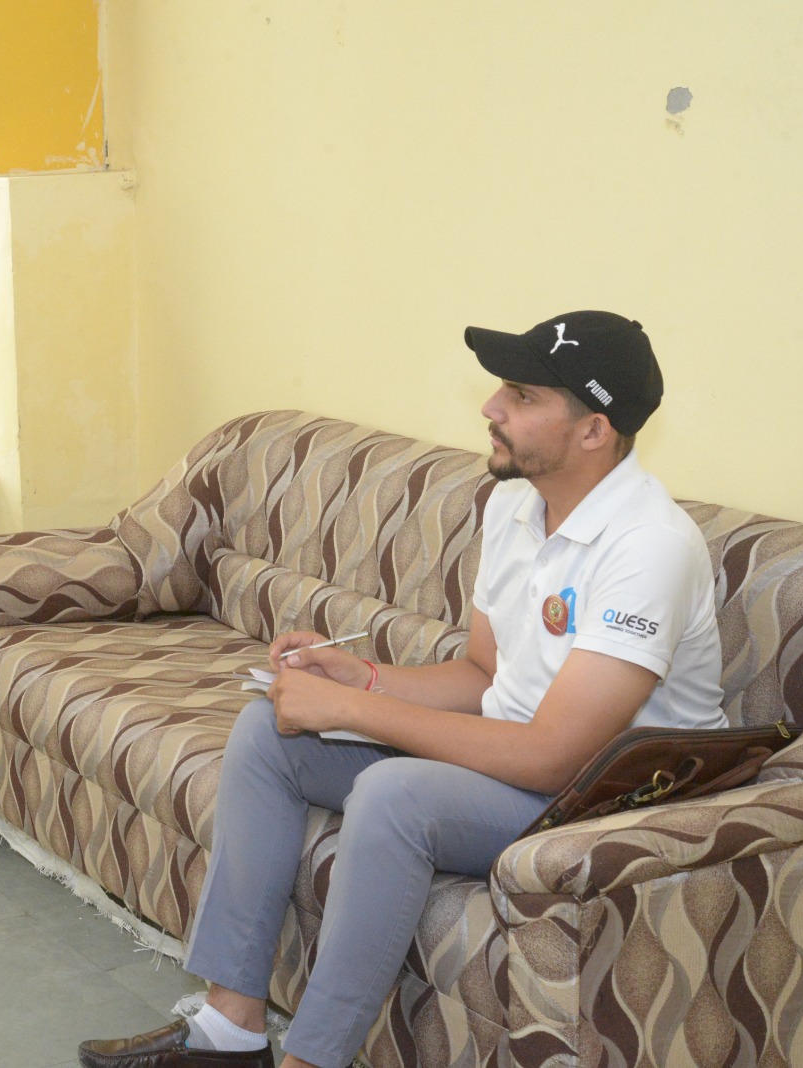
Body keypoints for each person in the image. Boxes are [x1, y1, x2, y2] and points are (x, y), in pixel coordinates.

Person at [77, 311, 725, 1068]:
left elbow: (554, 756)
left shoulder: (649, 546)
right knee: (268, 732)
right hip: (510, 759)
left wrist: (356, 709)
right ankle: (231, 1029)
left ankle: (312, 1059)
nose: (491, 407)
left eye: (522, 396)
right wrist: (365, 677)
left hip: (605, 796)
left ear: (594, 430)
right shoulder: (517, 504)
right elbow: (485, 676)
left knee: (395, 796)